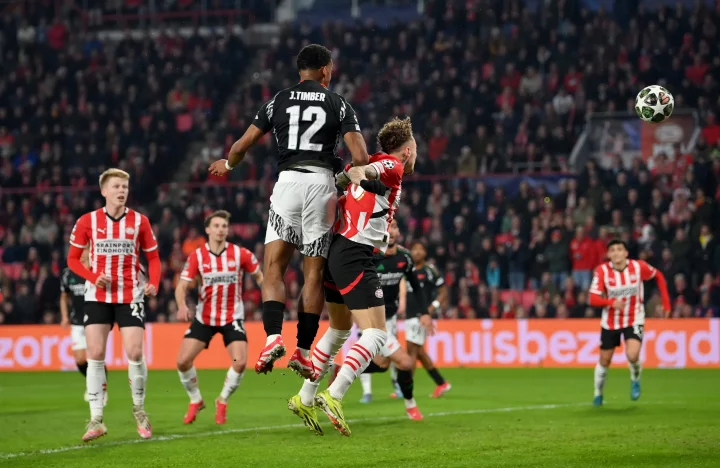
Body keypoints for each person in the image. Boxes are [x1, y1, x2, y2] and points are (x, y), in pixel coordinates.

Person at [208, 44, 370, 378]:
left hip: (288, 184)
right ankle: (304, 351)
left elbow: (242, 145)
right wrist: (344, 178)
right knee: (312, 274)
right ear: (325, 70)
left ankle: (271, 338)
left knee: (274, 268)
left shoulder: (278, 100)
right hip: (323, 185)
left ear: (301, 71)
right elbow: (362, 156)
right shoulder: (339, 104)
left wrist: (227, 164)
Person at [288, 116, 430, 437]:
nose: (415, 157)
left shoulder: (378, 161)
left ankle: (305, 396)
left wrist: (346, 177)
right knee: (377, 334)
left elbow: (351, 176)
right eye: (416, 150)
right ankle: (335, 394)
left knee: (339, 330)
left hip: (336, 251)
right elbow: (366, 171)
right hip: (355, 252)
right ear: (407, 152)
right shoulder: (392, 165)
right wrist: (360, 174)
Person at [67, 168, 161, 442]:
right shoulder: (88, 221)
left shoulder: (140, 221)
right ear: (104, 191)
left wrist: (153, 282)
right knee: (94, 353)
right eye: (117, 186)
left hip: (130, 294)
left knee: (134, 352)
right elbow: (72, 260)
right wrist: (94, 276)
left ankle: (140, 411)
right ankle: (96, 419)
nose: (122, 191)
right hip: (98, 295)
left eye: (125, 187)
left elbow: (153, 258)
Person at [175, 210, 263, 425]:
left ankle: (222, 400)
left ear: (228, 229)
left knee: (239, 362)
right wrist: (181, 305)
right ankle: (196, 400)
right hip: (205, 318)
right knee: (182, 361)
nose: (220, 230)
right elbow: (182, 286)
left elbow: (260, 277)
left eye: (224, 226)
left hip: (232, 317)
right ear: (207, 230)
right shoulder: (197, 256)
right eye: (216, 226)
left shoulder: (240, 254)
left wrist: (270, 300)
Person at [588, 239, 671, 406]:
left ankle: (635, 378)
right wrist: (611, 303)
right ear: (608, 254)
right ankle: (598, 393)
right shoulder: (602, 271)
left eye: (619, 249)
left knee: (632, 355)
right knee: (605, 360)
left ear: (626, 253)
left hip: (634, 318)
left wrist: (666, 303)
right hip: (611, 321)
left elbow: (659, 276)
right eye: (612, 250)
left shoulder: (638, 267)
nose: (616, 252)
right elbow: (593, 299)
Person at [358, 219, 427, 404]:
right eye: (386, 226)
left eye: (394, 226)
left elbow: (416, 286)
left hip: (390, 318)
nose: (391, 230)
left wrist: (425, 312)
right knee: (404, 361)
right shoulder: (370, 256)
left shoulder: (405, 257)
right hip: (369, 319)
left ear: (398, 232)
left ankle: (344, 369)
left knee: (382, 363)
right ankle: (408, 405)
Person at [60, 248, 108, 405]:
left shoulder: (97, 270)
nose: (81, 253)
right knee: (80, 360)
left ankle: (99, 388)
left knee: (95, 355)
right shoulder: (69, 274)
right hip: (77, 322)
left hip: (94, 320)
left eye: (84, 250)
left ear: (90, 251)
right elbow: (64, 297)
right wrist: (65, 316)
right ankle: (95, 382)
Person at [406, 242, 452, 398]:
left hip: (421, 315)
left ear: (425, 253)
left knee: (412, 349)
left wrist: (432, 308)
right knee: (418, 352)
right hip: (409, 314)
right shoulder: (407, 269)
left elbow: (443, 291)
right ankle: (441, 383)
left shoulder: (430, 270)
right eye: (414, 249)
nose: (417, 252)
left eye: (420, 249)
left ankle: (406, 388)